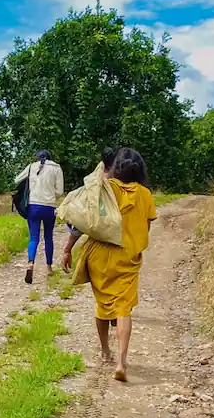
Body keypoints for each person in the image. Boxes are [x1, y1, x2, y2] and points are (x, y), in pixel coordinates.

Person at [61, 147, 156, 383]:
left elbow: (83, 222)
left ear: (114, 167)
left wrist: (67, 249)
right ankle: (122, 361)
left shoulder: (105, 188)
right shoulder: (145, 194)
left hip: (99, 254)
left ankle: (105, 351)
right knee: (123, 307)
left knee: (103, 304)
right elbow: (146, 227)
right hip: (127, 256)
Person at [15, 149, 64, 284]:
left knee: (33, 238)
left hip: (33, 206)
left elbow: (17, 180)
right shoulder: (56, 168)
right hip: (49, 207)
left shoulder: (31, 167)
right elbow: (59, 191)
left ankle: (30, 263)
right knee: (48, 237)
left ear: (38, 157)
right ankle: (49, 268)